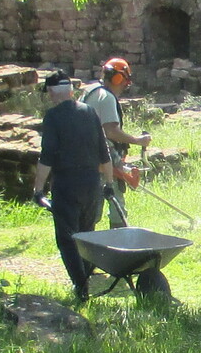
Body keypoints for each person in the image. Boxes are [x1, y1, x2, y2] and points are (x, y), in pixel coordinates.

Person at [34, 71, 139, 304]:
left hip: (66, 185)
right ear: (71, 91)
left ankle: (80, 286)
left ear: (51, 93)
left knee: (67, 239)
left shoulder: (53, 117)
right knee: (87, 237)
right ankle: (85, 279)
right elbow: (104, 152)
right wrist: (109, 184)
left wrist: (38, 190)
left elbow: (47, 156)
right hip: (92, 184)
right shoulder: (89, 112)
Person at [82, 56, 153, 228]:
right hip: (103, 156)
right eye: (124, 82)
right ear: (118, 78)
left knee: (91, 205)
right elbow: (111, 131)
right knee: (115, 202)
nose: (124, 86)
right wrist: (138, 140)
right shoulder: (106, 98)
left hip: (85, 155)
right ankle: (118, 234)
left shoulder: (90, 91)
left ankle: (85, 234)